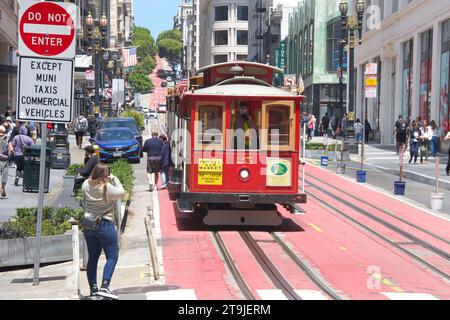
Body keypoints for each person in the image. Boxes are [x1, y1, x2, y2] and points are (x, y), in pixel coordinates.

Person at [82, 163, 124, 300]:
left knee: (92, 258)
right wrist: (115, 179)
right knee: (112, 255)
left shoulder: (85, 185)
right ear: (105, 175)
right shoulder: (107, 187)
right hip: (105, 224)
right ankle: (105, 286)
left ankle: (93, 289)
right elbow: (121, 193)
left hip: (89, 225)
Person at [0, 126, 10, 197]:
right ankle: (2, 188)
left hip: (4, 159)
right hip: (4, 159)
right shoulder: (7, 139)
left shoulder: (7, 139)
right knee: (5, 174)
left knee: (5, 174)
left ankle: (2, 188)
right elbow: (10, 149)